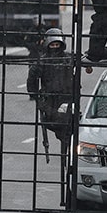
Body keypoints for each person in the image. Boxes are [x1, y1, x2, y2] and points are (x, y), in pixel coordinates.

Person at [26, 28, 76, 157]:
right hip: (49, 100)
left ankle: (68, 151)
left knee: (69, 125)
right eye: (52, 45)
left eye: (57, 45)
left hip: (66, 99)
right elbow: (32, 79)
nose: (55, 47)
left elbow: (82, 60)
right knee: (54, 122)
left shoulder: (68, 58)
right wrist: (36, 97)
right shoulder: (43, 61)